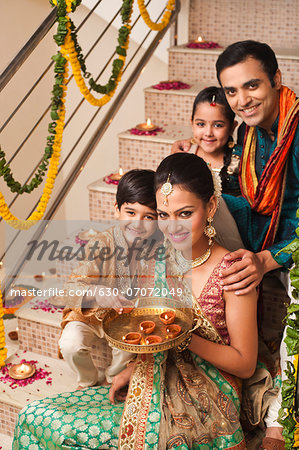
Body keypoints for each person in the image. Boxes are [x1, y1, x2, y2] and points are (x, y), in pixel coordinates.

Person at [13, 153, 265, 449]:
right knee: (33, 414)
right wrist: (132, 370)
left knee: (62, 430)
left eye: (185, 213)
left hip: (207, 396)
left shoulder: (233, 273)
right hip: (152, 375)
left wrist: (182, 339)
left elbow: (245, 365)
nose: (173, 228)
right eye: (163, 214)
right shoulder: (159, 258)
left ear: (210, 207)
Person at [172, 40, 299, 448]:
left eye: (252, 86)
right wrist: (191, 157)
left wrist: (268, 259)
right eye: (231, 92)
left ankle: (280, 421)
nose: (241, 101)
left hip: (283, 248)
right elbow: (229, 190)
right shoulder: (246, 134)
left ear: (276, 80)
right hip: (257, 238)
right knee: (193, 193)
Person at [58, 169, 161, 388]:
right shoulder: (102, 243)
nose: (138, 224)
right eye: (130, 213)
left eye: (148, 217)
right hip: (92, 315)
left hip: (127, 319)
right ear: (117, 210)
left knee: (127, 347)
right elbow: (70, 288)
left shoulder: (159, 248)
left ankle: (113, 378)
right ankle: (87, 380)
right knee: (70, 344)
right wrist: (97, 292)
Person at [189, 86, 241, 196]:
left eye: (218, 125)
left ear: (232, 127)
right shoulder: (185, 154)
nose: (208, 133)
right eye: (201, 124)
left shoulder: (240, 159)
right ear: (192, 123)